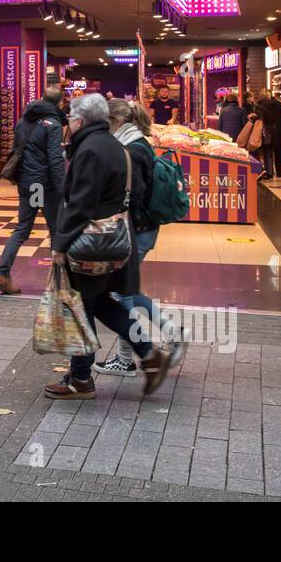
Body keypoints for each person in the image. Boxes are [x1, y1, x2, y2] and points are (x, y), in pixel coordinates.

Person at [44, 93, 172, 400]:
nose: (69, 123)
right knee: (100, 302)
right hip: (115, 240)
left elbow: (80, 205)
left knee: (83, 306)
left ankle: (80, 378)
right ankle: (149, 353)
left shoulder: (89, 150)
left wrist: (60, 244)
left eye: (71, 118)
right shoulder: (116, 146)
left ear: (80, 120)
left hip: (91, 244)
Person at [94, 99, 187, 377]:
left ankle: (127, 359)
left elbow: (134, 195)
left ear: (118, 122)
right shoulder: (138, 143)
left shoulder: (131, 150)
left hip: (137, 229)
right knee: (127, 291)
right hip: (143, 228)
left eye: (107, 123)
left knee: (120, 294)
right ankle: (170, 333)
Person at [0, 86, 66, 296]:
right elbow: (55, 160)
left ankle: (2, 274)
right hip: (43, 186)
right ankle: (59, 282)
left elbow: (18, 151)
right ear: (59, 103)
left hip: (27, 182)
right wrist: (62, 189)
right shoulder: (52, 125)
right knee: (55, 230)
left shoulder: (23, 121)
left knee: (22, 229)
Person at [255, 87, 281, 180]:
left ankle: (269, 173)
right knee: (278, 151)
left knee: (267, 152)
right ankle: (279, 171)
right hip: (278, 132)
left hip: (266, 132)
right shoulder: (279, 105)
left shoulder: (259, 106)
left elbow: (258, 120)